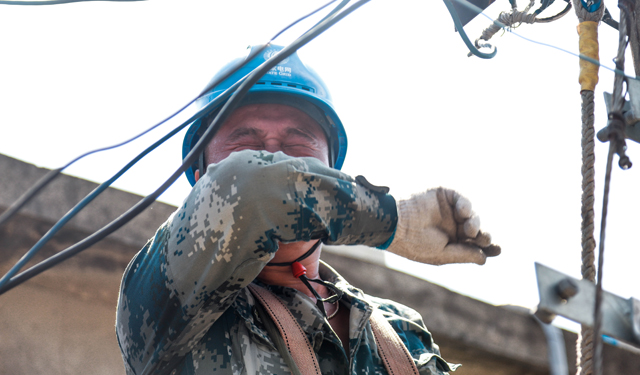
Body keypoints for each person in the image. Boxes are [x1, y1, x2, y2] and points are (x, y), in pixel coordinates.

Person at [116, 44, 500, 375]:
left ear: (332, 173)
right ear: (201, 178)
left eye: (297, 146)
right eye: (246, 144)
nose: (274, 159)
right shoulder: (166, 301)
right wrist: (394, 222)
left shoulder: (402, 331)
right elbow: (250, 187)